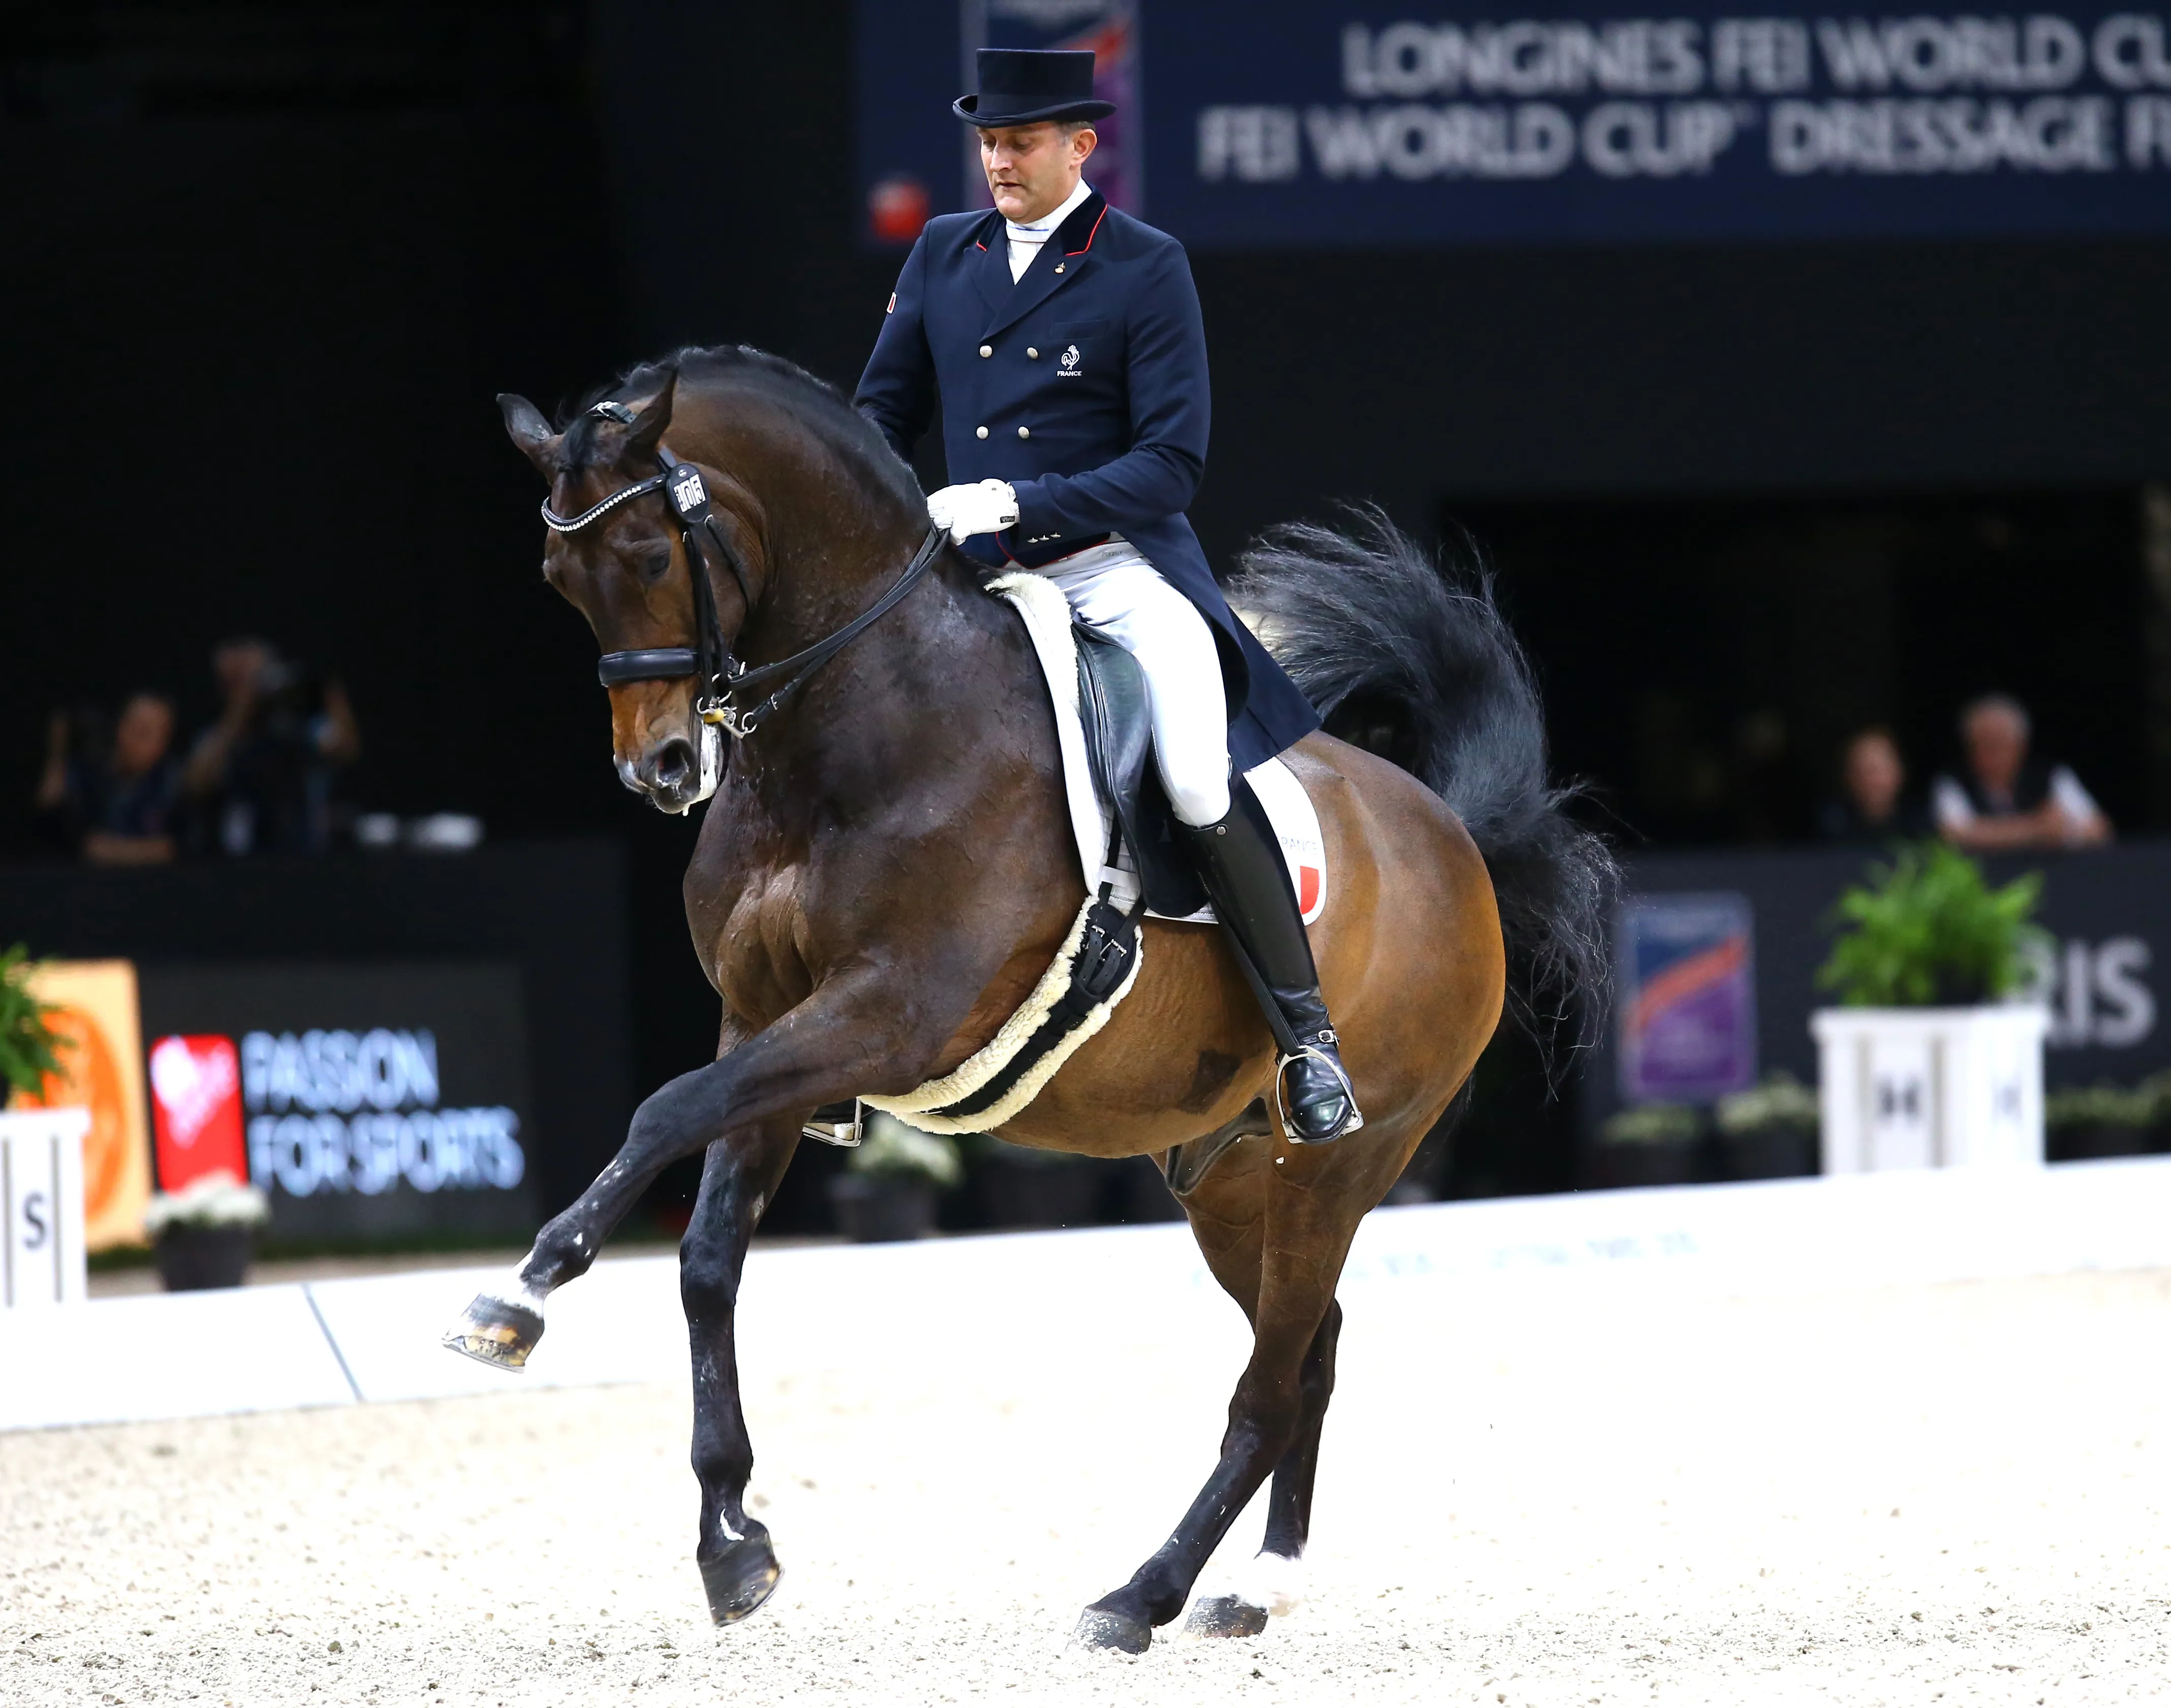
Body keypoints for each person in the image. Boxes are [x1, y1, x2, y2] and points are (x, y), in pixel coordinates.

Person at [854, 48, 1358, 1142]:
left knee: (1189, 766)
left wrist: (1016, 502)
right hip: (968, 578)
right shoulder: (944, 251)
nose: (998, 161)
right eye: (988, 142)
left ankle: (1307, 1036)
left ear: (1081, 145)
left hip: (1109, 565)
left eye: (1020, 142)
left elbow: (1171, 464)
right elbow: (878, 417)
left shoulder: (1142, 264)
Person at [182, 637, 361, 857]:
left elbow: (345, 748)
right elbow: (196, 783)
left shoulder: (301, 730)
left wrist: (328, 691)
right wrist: (239, 714)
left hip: (306, 855)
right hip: (241, 862)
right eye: (235, 681)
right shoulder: (218, 736)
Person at [1931, 693, 2110, 851]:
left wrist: (2066, 831)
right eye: (1983, 745)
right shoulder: (1952, 780)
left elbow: (2098, 830)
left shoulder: (2051, 774)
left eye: (2000, 744)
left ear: (2021, 745)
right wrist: (2036, 828)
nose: (1992, 754)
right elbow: (1954, 835)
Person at [32, 692, 183, 866]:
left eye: (148, 733)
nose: (134, 740)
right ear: (120, 726)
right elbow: (71, 836)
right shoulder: (89, 773)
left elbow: (170, 849)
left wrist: (114, 851)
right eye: (133, 727)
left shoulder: (171, 783)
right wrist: (57, 752)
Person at [1818, 726, 1930, 844]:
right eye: (1860, 772)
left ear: (1899, 772)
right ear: (1847, 777)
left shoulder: (1922, 823)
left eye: (1877, 771)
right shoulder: (1833, 824)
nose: (1871, 781)